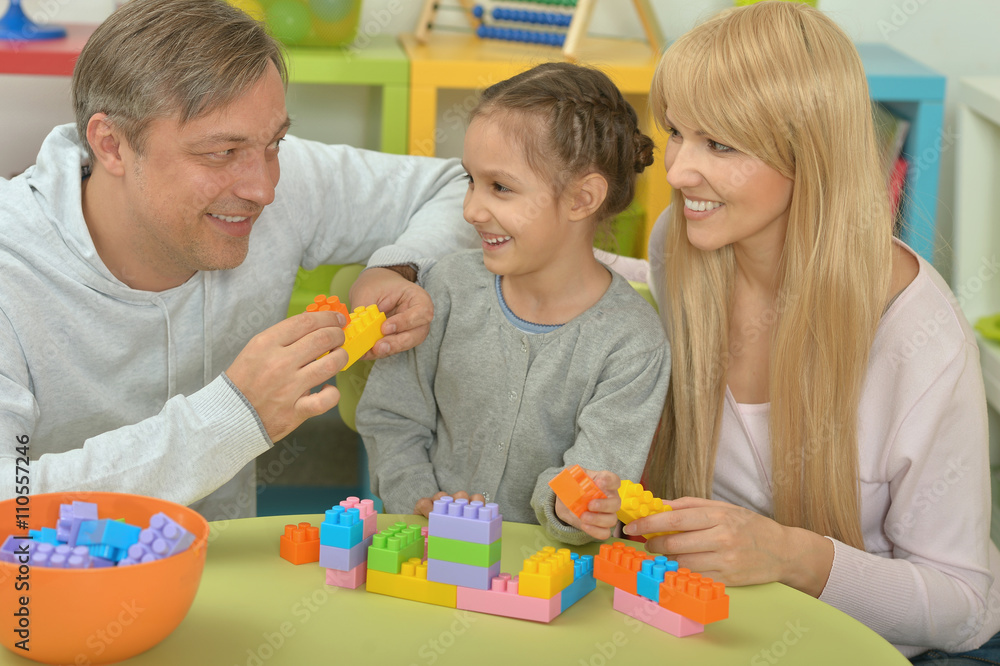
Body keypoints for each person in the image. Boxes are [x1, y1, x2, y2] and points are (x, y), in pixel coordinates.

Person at [0, 0, 479, 520]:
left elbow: (455, 185)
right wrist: (233, 417)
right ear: (111, 145)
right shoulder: (13, 265)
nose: (264, 188)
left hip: (223, 572)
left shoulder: (281, 177)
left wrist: (397, 266)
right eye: (220, 153)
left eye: (274, 143)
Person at [623, 2, 1000, 660]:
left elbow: (959, 603)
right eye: (676, 132)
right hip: (741, 625)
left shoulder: (921, 337)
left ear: (809, 157)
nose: (678, 170)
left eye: (720, 144)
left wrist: (790, 555)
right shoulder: (678, 248)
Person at [356, 62, 670, 545]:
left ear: (582, 198)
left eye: (500, 187)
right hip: (426, 553)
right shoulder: (446, 288)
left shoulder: (633, 342)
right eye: (470, 181)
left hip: (547, 582)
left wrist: (575, 508)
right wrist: (415, 495)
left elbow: (591, 481)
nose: (471, 210)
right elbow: (391, 417)